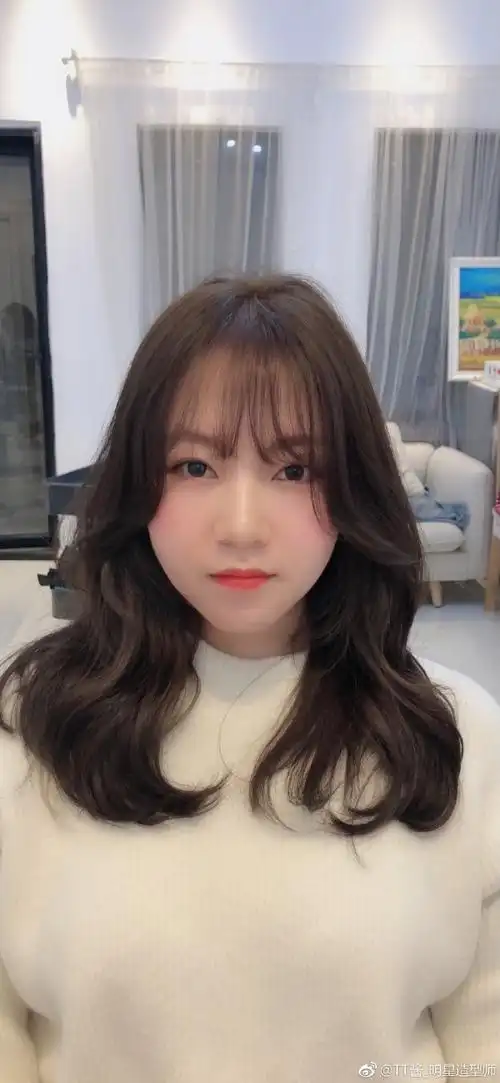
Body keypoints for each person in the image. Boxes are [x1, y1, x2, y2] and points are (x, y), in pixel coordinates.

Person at [0, 273, 499, 1083]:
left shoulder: (461, 736)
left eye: (295, 470)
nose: (240, 526)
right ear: (137, 483)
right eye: (194, 465)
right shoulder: (27, 727)